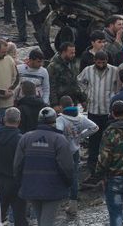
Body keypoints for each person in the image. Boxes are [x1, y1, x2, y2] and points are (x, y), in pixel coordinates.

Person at [14, 107, 74, 226]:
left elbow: (17, 165)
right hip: (52, 189)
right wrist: (68, 184)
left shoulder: (26, 138)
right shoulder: (59, 139)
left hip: (31, 187)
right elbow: (67, 166)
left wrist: (21, 183)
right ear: (54, 122)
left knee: (43, 223)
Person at [76, 50, 119, 183]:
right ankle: (92, 167)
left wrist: (114, 95)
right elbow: (79, 81)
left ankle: (108, 166)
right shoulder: (88, 70)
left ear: (107, 61)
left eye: (104, 62)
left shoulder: (114, 71)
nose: (101, 64)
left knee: (108, 140)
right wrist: (86, 94)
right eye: (99, 62)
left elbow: (119, 85)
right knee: (94, 140)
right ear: (95, 61)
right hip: (93, 110)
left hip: (108, 111)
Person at [56, 95, 97, 216]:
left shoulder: (61, 119)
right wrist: (81, 136)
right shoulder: (80, 118)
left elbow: (58, 133)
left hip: (63, 152)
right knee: (74, 176)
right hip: (75, 150)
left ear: (60, 106)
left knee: (59, 175)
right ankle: (73, 204)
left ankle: (57, 202)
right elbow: (95, 127)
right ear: (73, 104)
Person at [0, 39, 18, 125]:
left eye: (6, 52)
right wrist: (2, 93)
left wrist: (11, 90)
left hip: (9, 102)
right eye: (2, 52)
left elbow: (16, 77)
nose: (5, 54)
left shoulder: (9, 59)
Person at [47, 41, 82, 108]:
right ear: (63, 52)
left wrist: (82, 99)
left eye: (74, 52)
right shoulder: (53, 67)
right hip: (60, 103)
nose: (73, 55)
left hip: (73, 101)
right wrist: (55, 104)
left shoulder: (73, 64)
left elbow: (76, 82)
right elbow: (51, 87)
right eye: (71, 53)